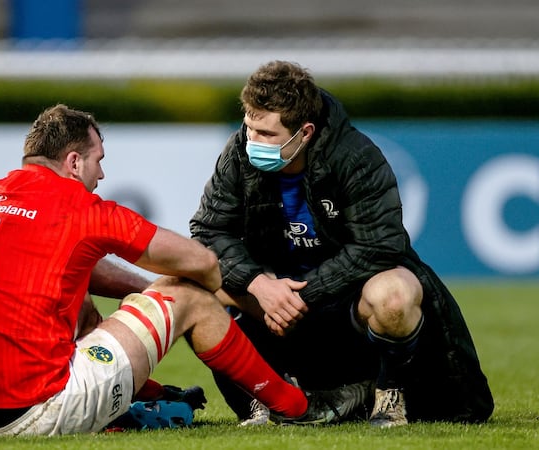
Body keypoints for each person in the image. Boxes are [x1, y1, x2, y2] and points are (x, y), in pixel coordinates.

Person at [0, 103, 363, 437]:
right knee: (190, 297)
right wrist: (246, 294)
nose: (102, 173)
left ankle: (148, 396)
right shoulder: (77, 207)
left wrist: (145, 292)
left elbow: (79, 268)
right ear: (73, 162)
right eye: (98, 159)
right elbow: (200, 261)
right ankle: (297, 408)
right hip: (35, 408)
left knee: (75, 295)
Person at [190, 60, 495, 428]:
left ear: (304, 133)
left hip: (345, 301)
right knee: (195, 291)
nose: (252, 141)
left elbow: (382, 246)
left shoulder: (356, 157)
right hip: (273, 300)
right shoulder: (240, 151)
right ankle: (262, 401)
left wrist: (305, 293)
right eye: (249, 127)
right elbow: (207, 232)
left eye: (267, 134)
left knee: (395, 294)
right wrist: (260, 285)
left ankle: (389, 397)